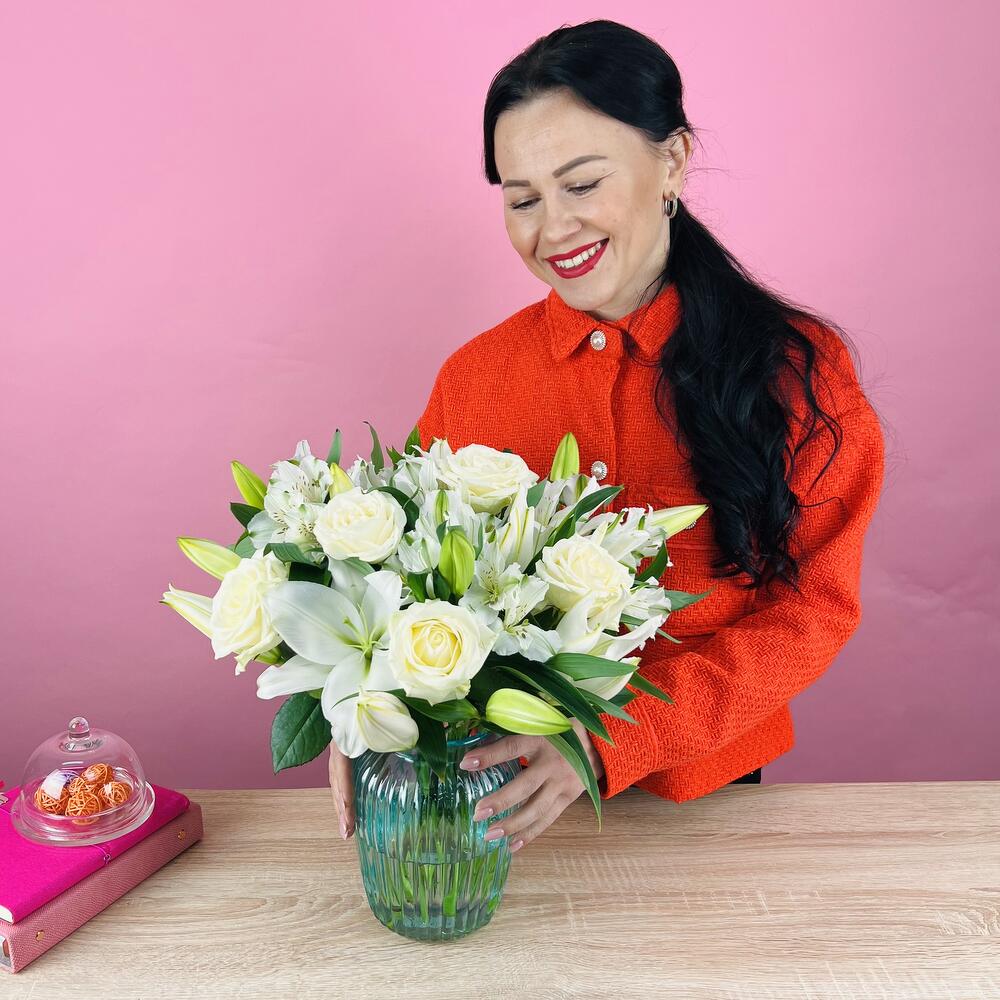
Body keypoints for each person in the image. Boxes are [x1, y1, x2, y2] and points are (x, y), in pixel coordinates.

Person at [328, 19, 885, 851]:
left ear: (673, 161)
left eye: (582, 184)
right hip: (500, 804)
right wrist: (357, 706)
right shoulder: (474, 377)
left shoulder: (795, 370)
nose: (553, 229)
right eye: (523, 200)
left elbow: (813, 610)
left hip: (704, 806)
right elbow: (399, 580)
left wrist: (607, 739)